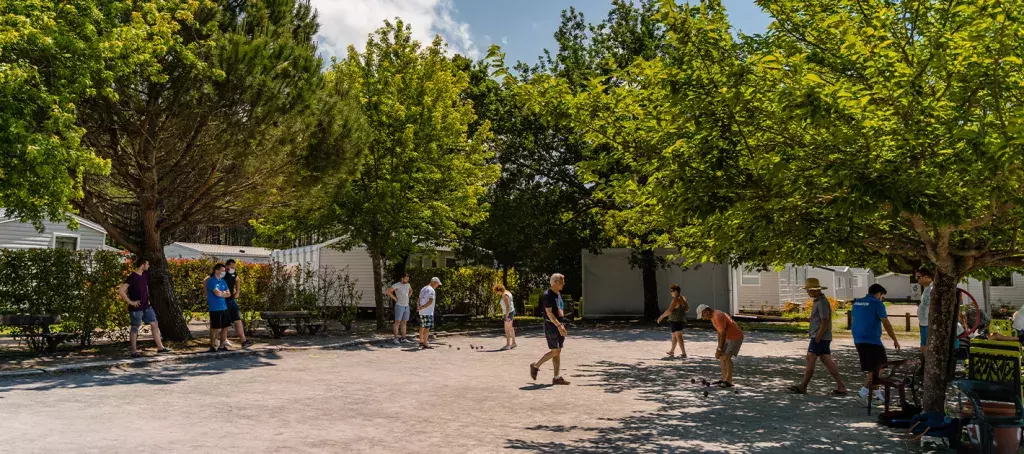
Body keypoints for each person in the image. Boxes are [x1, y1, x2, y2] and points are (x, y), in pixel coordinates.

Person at [788, 278, 848, 395]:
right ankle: (841, 386)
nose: (807, 292)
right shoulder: (818, 301)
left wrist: (817, 337)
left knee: (810, 358)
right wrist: (803, 319)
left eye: (809, 290)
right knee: (826, 360)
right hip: (822, 336)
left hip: (820, 336)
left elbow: (825, 321)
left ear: (815, 290)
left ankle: (803, 386)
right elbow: (817, 319)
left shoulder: (822, 302)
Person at [850, 283, 902, 406]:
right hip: (872, 340)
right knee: (879, 367)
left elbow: (855, 319)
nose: (882, 298)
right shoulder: (878, 304)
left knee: (873, 368)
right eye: (882, 296)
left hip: (858, 339)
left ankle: (878, 395)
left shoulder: (857, 303)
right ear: (878, 294)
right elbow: (886, 322)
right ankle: (862, 394)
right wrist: (895, 339)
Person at [117, 258, 172, 358]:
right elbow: (121, 290)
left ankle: (160, 348)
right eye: (147, 264)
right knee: (135, 327)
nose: (148, 266)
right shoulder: (132, 277)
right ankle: (134, 352)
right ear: (143, 265)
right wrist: (131, 302)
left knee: (154, 323)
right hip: (136, 307)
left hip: (146, 306)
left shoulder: (145, 274)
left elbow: (145, 287)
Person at [530, 273, 570, 385]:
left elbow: (559, 309)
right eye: (562, 281)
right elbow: (549, 313)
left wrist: (562, 324)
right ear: (555, 282)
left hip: (559, 324)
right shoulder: (548, 295)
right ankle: (535, 366)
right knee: (555, 351)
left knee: (558, 351)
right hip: (551, 326)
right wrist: (559, 326)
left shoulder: (558, 293)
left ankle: (556, 377)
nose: (563, 283)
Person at [698, 304, 743, 387]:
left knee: (727, 356)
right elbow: (719, 332)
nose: (703, 318)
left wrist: (719, 349)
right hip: (727, 337)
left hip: (735, 337)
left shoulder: (718, 316)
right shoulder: (713, 317)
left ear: (707, 312)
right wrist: (718, 348)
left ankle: (729, 381)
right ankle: (724, 379)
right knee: (722, 357)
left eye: (702, 316)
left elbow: (723, 333)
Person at [219, 259, 252, 349]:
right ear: (227, 266)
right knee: (225, 322)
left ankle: (244, 341)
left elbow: (237, 280)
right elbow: (210, 280)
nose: (233, 268)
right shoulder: (222, 273)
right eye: (232, 266)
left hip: (232, 300)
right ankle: (222, 343)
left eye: (234, 267)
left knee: (237, 319)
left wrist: (237, 292)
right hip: (223, 301)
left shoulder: (234, 273)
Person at [205, 264, 232, 352]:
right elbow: (217, 293)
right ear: (217, 271)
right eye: (222, 270)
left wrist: (222, 293)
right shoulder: (211, 281)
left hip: (224, 307)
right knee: (215, 328)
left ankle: (222, 346)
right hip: (215, 308)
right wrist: (223, 293)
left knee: (225, 327)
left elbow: (229, 294)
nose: (224, 272)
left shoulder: (222, 281)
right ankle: (212, 346)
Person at [656, 284, 689, 358]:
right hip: (680, 320)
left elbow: (669, 310)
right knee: (674, 336)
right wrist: (680, 310)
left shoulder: (675, 299)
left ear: (675, 291)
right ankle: (672, 351)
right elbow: (687, 309)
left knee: (679, 337)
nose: (670, 293)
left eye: (671, 291)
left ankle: (684, 353)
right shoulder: (682, 298)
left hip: (676, 321)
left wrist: (661, 317)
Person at [386, 274, 413, 344]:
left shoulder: (408, 285)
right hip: (399, 306)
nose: (407, 280)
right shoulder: (396, 285)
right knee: (397, 322)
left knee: (404, 322)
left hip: (406, 306)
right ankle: (395, 339)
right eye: (406, 279)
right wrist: (395, 298)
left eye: (408, 279)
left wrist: (408, 297)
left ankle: (403, 338)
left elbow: (411, 290)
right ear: (402, 278)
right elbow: (388, 291)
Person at [417, 277, 441, 349]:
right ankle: (425, 343)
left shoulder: (423, 288)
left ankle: (421, 341)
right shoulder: (432, 290)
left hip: (421, 312)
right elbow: (430, 301)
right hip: (428, 311)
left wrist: (419, 307)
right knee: (427, 328)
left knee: (422, 326)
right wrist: (422, 307)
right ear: (434, 282)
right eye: (437, 284)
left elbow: (419, 299)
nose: (437, 286)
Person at [915, 268, 934, 352]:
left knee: (927, 347)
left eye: (918, 277)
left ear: (926, 277)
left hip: (928, 323)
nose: (917, 279)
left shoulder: (932, 289)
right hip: (924, 322)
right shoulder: (927, 288)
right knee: (923, 346)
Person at [493, 284, 517, 350]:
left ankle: (508, 345)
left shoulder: (504, 295)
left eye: (497, 292)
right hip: (511, 312)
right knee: (511, 328)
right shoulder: (508, 292)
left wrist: (506, 316)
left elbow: (508, 306)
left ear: (499, 290)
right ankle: (513, 343)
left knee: (507, 329)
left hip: (508, 313)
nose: (497, 293)